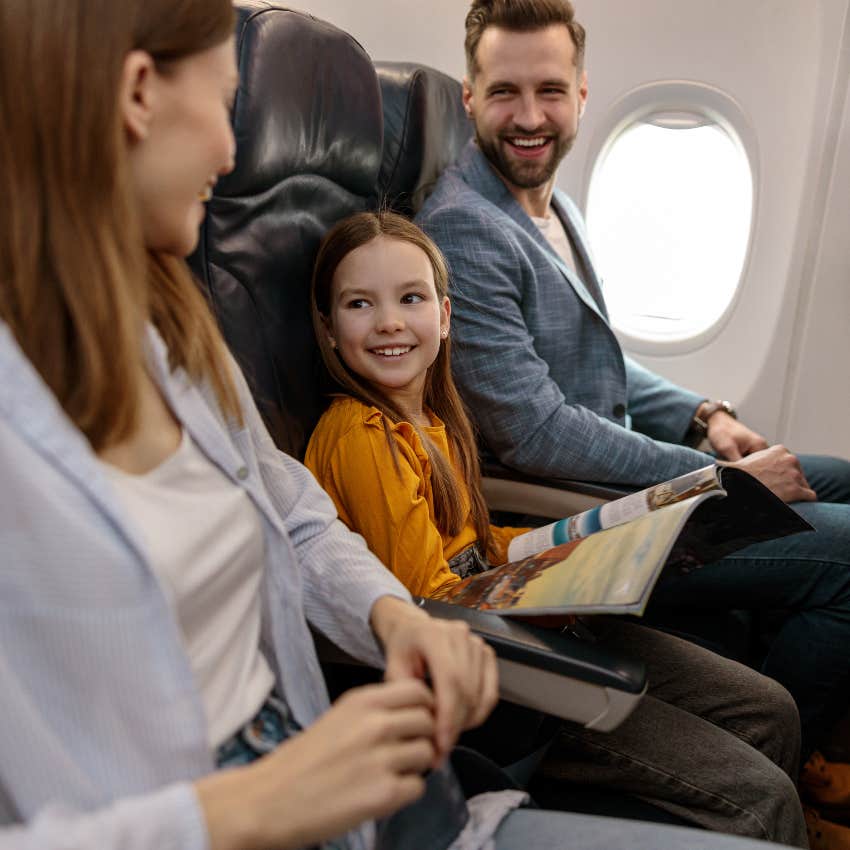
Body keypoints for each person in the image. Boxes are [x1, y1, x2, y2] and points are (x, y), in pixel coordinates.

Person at [1, 4, 808, 850]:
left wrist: (398, 615)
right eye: (225, 102)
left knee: (768, 711)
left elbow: (303, 522)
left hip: (335, 788)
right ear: (138, 96)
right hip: (238, 813)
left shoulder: (174, 333)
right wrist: (246, 808)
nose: (233, 153)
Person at [414, 0, 850, 783]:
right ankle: (788, 757)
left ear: (582, 94)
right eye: (505, 92)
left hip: (620, 483)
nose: (529, 117)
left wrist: (705, 414)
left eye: (549, 90)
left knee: (844, 477)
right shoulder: (464, 229)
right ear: (470, 98)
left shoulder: (556, 209)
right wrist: (716, 483)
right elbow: (533, 431)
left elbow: (603, 365)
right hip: (574, 517)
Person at [304, 209, 808, 846]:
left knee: (770, 709)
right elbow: (427, 600)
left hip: (515, 622)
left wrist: (588, 542)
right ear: (327, 328)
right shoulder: (362, 435)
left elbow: (474, 548)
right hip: (494, 678)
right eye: (358, 304)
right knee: (761, 796)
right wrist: (549, 588)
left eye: (411, 298)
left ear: (446, 315)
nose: (389, 323)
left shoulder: (435, 420)